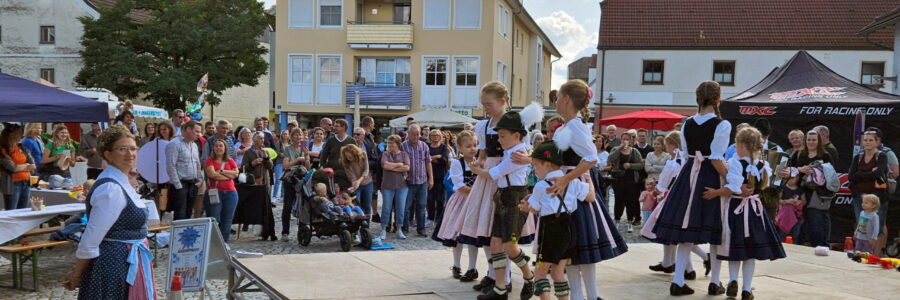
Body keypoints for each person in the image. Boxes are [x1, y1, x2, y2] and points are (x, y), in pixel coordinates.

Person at [647, 81, 732, 296]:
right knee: (716, 229)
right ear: (718, 99)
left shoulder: (687, 123)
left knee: (686, 229)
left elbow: (686, 154)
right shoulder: (722, 125)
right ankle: (714, 281)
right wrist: (733, 182)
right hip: (710, 176)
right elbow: (715, 158)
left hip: (688, 175)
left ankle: (678, 281)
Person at [544, 80, 627, 300]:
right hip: (573, 187)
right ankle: (587, 296)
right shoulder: (570, 125)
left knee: (575, 246)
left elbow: (591, 157)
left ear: (566, 99)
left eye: (558, 96)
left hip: (574, 190)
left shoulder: (574, 126)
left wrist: (564, 180)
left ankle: (584, 296)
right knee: (577, 248)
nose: (556, 101)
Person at [63, 125, 157, 298]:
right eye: (122, 149)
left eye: (133, 148)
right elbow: (91, 240)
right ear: (107, 154)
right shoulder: (110, 188)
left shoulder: (122, 181)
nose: (130, 154)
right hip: (113, 266)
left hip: (127, 262)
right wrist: (77, 274)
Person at [461, 82, 536, 295]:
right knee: (488, 232)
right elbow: (483, 154)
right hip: (492, 176)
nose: (486, 108)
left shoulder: (517, 125)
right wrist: (478, 162)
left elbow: (528, 152)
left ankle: (507, 279)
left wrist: (528, 159)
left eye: (489, 104)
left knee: (506, 239)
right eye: (483, 104)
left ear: (503, 101)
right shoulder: (483, 125)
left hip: (507, 178)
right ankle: (495, 277)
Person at [702, 126, 785, 299]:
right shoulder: (763, 165)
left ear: (741, 144)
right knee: (750, 253)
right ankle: (747, 289)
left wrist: (715, 193)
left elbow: (733, 188)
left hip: (736, 210)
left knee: (736, 249)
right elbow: (765, 186)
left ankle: (733, 280)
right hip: (755, 212)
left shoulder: (735, 163)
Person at [519, 141, 591, 300]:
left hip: (551, 229)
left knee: (540, 274)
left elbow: (535, 209)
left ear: (547, 164)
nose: (535, 170)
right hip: (570, 228)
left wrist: (526, 207)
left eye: (536, 165)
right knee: (558, 273)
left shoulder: (540, 185)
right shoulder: (571, 181)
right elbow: (590, 197)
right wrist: (587, 177)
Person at [643, 131, 711, 281]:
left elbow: (663, 185)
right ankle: (673, 263)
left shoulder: (673, 163)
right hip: (685, 199)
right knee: (675, 233)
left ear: (673, 145)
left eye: (667, 144)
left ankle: (689, 268)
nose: (666, 148)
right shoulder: (688, 161)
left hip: (672, 200)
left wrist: (658, 193)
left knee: (675, 233)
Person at [434, 130, 480, 282]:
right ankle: (457, 265)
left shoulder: (480, 162)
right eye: (468, 146)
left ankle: (472, 267)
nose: (473, 149)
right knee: (457, 236)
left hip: (475, 202)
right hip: (461, 202)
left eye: (475, 145)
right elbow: (459, 186)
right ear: (459, 147)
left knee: (473, 236)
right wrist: (479, 192)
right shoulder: (457, 163)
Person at [779, 130, 832, 247]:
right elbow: (788, 170)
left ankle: (820, 247)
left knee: (817, 224)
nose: (811, 142)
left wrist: (815, 172)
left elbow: (831, 176)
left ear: (819, 141)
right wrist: (800, 170)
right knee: (800, 224)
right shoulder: (799, 154)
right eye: (809, 140)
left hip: (817, 195)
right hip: (800, 193)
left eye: (814, 140)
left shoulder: (826, 155)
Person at [848, 131, 889, 232]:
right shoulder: (858, 157)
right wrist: (869, 173)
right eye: (865, 140)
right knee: (861, 226)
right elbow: (851, 176)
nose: (867, 142)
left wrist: (860, 174)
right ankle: (862, 248)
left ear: (876, 142)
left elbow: (877, 174)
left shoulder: (881, 156)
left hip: (877, 197)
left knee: (876, 228)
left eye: (871, 140)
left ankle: (875, 248)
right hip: (859, 197)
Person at [165, 121, 204, 220]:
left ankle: (186, 235)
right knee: (180, 215)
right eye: (197, 131)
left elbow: (197, 163)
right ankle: (179, 235)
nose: (199, 134)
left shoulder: (194, 145)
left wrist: (200, 179)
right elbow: (170, 166)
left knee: (188, 213)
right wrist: (178, 185)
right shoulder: (174, 144)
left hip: (193, 184)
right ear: (188, 129)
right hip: (180, 184)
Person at [203, 139, 240, 242]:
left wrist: (222, 171)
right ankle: (213, 243)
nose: (219, 148)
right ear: (213, 148)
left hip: (230, 193)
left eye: (221, 146)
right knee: (214, 219)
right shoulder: (209, 160)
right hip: (214, 193)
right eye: (216, 146)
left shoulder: (230, 160)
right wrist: (229, 176)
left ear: (225, 148)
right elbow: (212, 175)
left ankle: (224, 243)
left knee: (227, 220)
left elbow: (236, 174)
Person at [243, 132, 276, 241]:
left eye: (263, 139)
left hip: (265, 182)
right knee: (256, 206)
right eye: (260, 138)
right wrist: (253, 163)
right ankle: (254, 227)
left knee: (267, 207)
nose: (262, 140)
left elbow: (270, 166)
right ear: (255, 139)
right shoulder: (248, 152)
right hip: (254, 182)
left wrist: (266, 158)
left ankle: (268, 232)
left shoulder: (265, 151)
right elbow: (243, 167)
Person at [401, 124, 433, 236]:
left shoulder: (424, 146)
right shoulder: (403, 146)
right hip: (408, 181)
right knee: (406, 207)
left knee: (421, 206)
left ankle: (421, 228)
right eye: (413, 134)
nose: (416, 136)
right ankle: (404, 228)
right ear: (408, 134)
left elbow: (428, 162)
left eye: (417, 134)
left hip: (422, 181)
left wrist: (431, 179)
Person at [608, 131, 645, 231]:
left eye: (627, 139)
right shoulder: (616, 149)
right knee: (618, 201)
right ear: (621, 140)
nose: (625, 141)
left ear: (631, 140)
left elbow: (641, 165)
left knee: (631, 201)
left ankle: (629, 222)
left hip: (632, 179)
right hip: (618, 180)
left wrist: (631, 166)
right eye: (624, 139)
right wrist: (619, 149)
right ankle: (617, 221)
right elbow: (610, 159)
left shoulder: (634, 151)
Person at [380, 135, 410, 240]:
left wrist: (392, 167)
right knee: (386, 208)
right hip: (387, 185)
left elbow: (407, 167)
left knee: (400, 208)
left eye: (392, 143)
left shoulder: (404, 154)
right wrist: (399, 165)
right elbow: (385, 165)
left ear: (397, 144)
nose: (390, 145)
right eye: (388, 142)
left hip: (402, 185)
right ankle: (383, 229)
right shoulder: (385, 154)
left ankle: (399, 229)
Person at [281, 128, 310, 240]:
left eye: (300, 135)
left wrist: (306, 156)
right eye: (296, 135)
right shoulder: (288, 149)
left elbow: (308, 167)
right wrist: (298, 159)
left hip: (302, 179)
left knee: (302, 205)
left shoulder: (304, 148)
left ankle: (302, 231)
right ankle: (285, 232)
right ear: (291, 137)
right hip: (291, 179)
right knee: (287, 206)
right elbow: (286, 165)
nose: (298, 137)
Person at [1, 124, 36, 210]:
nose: (22, 135)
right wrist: (26, 166)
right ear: (11, 134)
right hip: (12, 184)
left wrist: (20, 167)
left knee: (23, 211)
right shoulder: (2, 150)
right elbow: (12, 167)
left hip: (26, 182)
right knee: (11, 212)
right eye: (19, 133)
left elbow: (33, 164)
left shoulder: (22, 147)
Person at [320, 119, 356, 191]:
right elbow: (323, 157)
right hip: (332, 174)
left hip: (347, 175)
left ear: (343, 127)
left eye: (337, 126)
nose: (334, 127)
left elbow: (355, 158)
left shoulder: (351, 141)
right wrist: (326, 170)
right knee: (332, 195)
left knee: (345, 197)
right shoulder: (330, 140)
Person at [341, 144, 371, 217]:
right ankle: (357, 222)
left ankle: (366, 224)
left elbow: (366, 170)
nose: (348, 158)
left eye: (350, 156)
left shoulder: (363, 155)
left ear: (355, 153)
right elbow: (351, 176)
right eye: (346, 156)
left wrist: (359, 181)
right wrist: (354, 185)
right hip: (356, 185)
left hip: (367, 182)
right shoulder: (345, 162)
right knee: (356, 204)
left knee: (367, 204)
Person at [427, 129, 450, 224]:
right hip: (428, 175)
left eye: (437, 135)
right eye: (433, 135)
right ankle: (430, 218)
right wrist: (437, 156)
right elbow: (424, 158)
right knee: (430, 199)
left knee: (440, 199)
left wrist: (431, 158)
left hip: (441, 176)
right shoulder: (427, 147)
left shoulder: (444, 147)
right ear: (430, 137)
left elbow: (444, 160)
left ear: (440, 136)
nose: (435, 137)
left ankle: (439, 218)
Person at [353, 127, 377, 215]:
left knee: (367, 205)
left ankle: (366, 226)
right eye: (354, 134)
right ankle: (356, 226)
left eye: (358, 134)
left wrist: (364, 163)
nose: (356, 136)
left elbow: (375, 160)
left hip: (367, 178)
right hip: (354, 179)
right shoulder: (350, 145)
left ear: (363, 136)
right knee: (356, 204)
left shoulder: (369, 145)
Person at [776, 173, 805, 239]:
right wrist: (787, 201)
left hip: (796, 216)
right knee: (781, 235)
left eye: (792, 178)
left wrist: (799, 202)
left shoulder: (800, 190)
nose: (790, 180)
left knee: (794, 235)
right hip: (783, 216)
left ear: (797, 178)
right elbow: (777, 200)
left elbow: (804, 202)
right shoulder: (783, 188)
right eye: (788, 178)